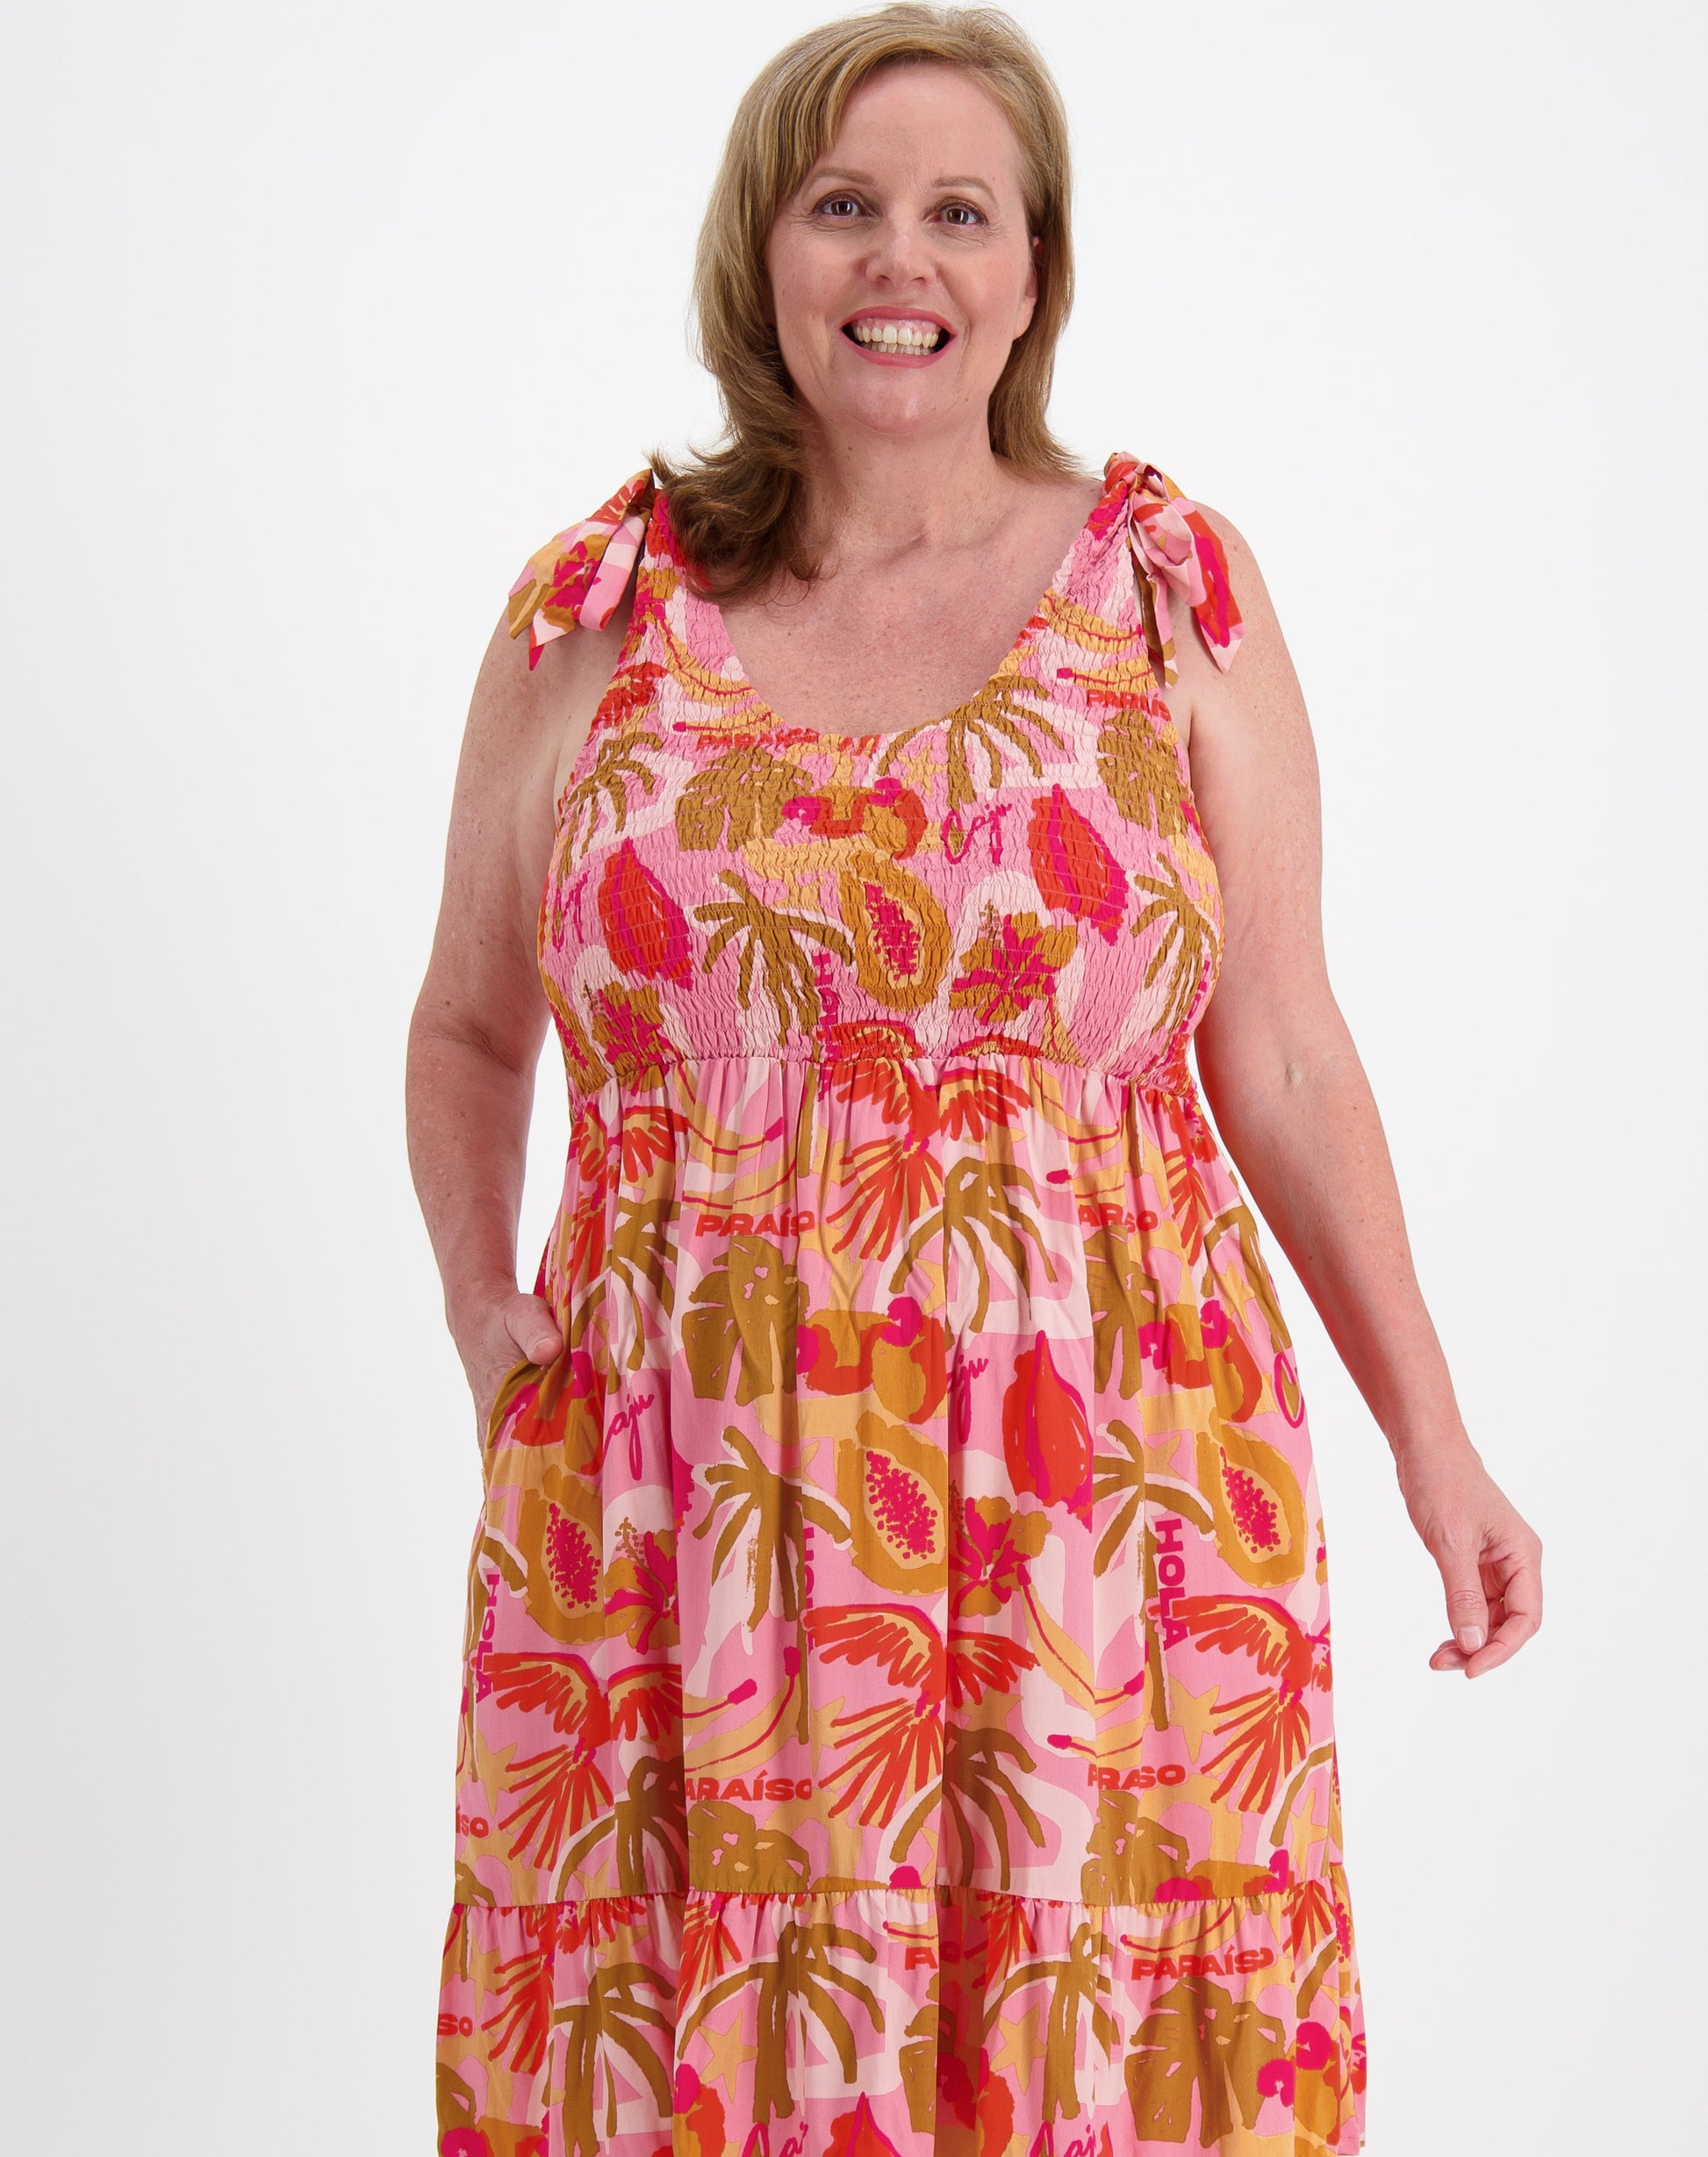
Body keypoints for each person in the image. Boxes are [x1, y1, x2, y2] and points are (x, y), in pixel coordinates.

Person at [405, 6, 1542, 2151]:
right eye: (843, 206)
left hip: (1102, 1481)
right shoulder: (593, 611)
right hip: (676, 1500)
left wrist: (1437, 1440)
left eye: (957, 211)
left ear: (1032, 270)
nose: (895, 259)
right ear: (767, 250)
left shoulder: (1166, 591)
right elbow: (465, 1022)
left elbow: (1284, 1045)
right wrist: (486, 1310)